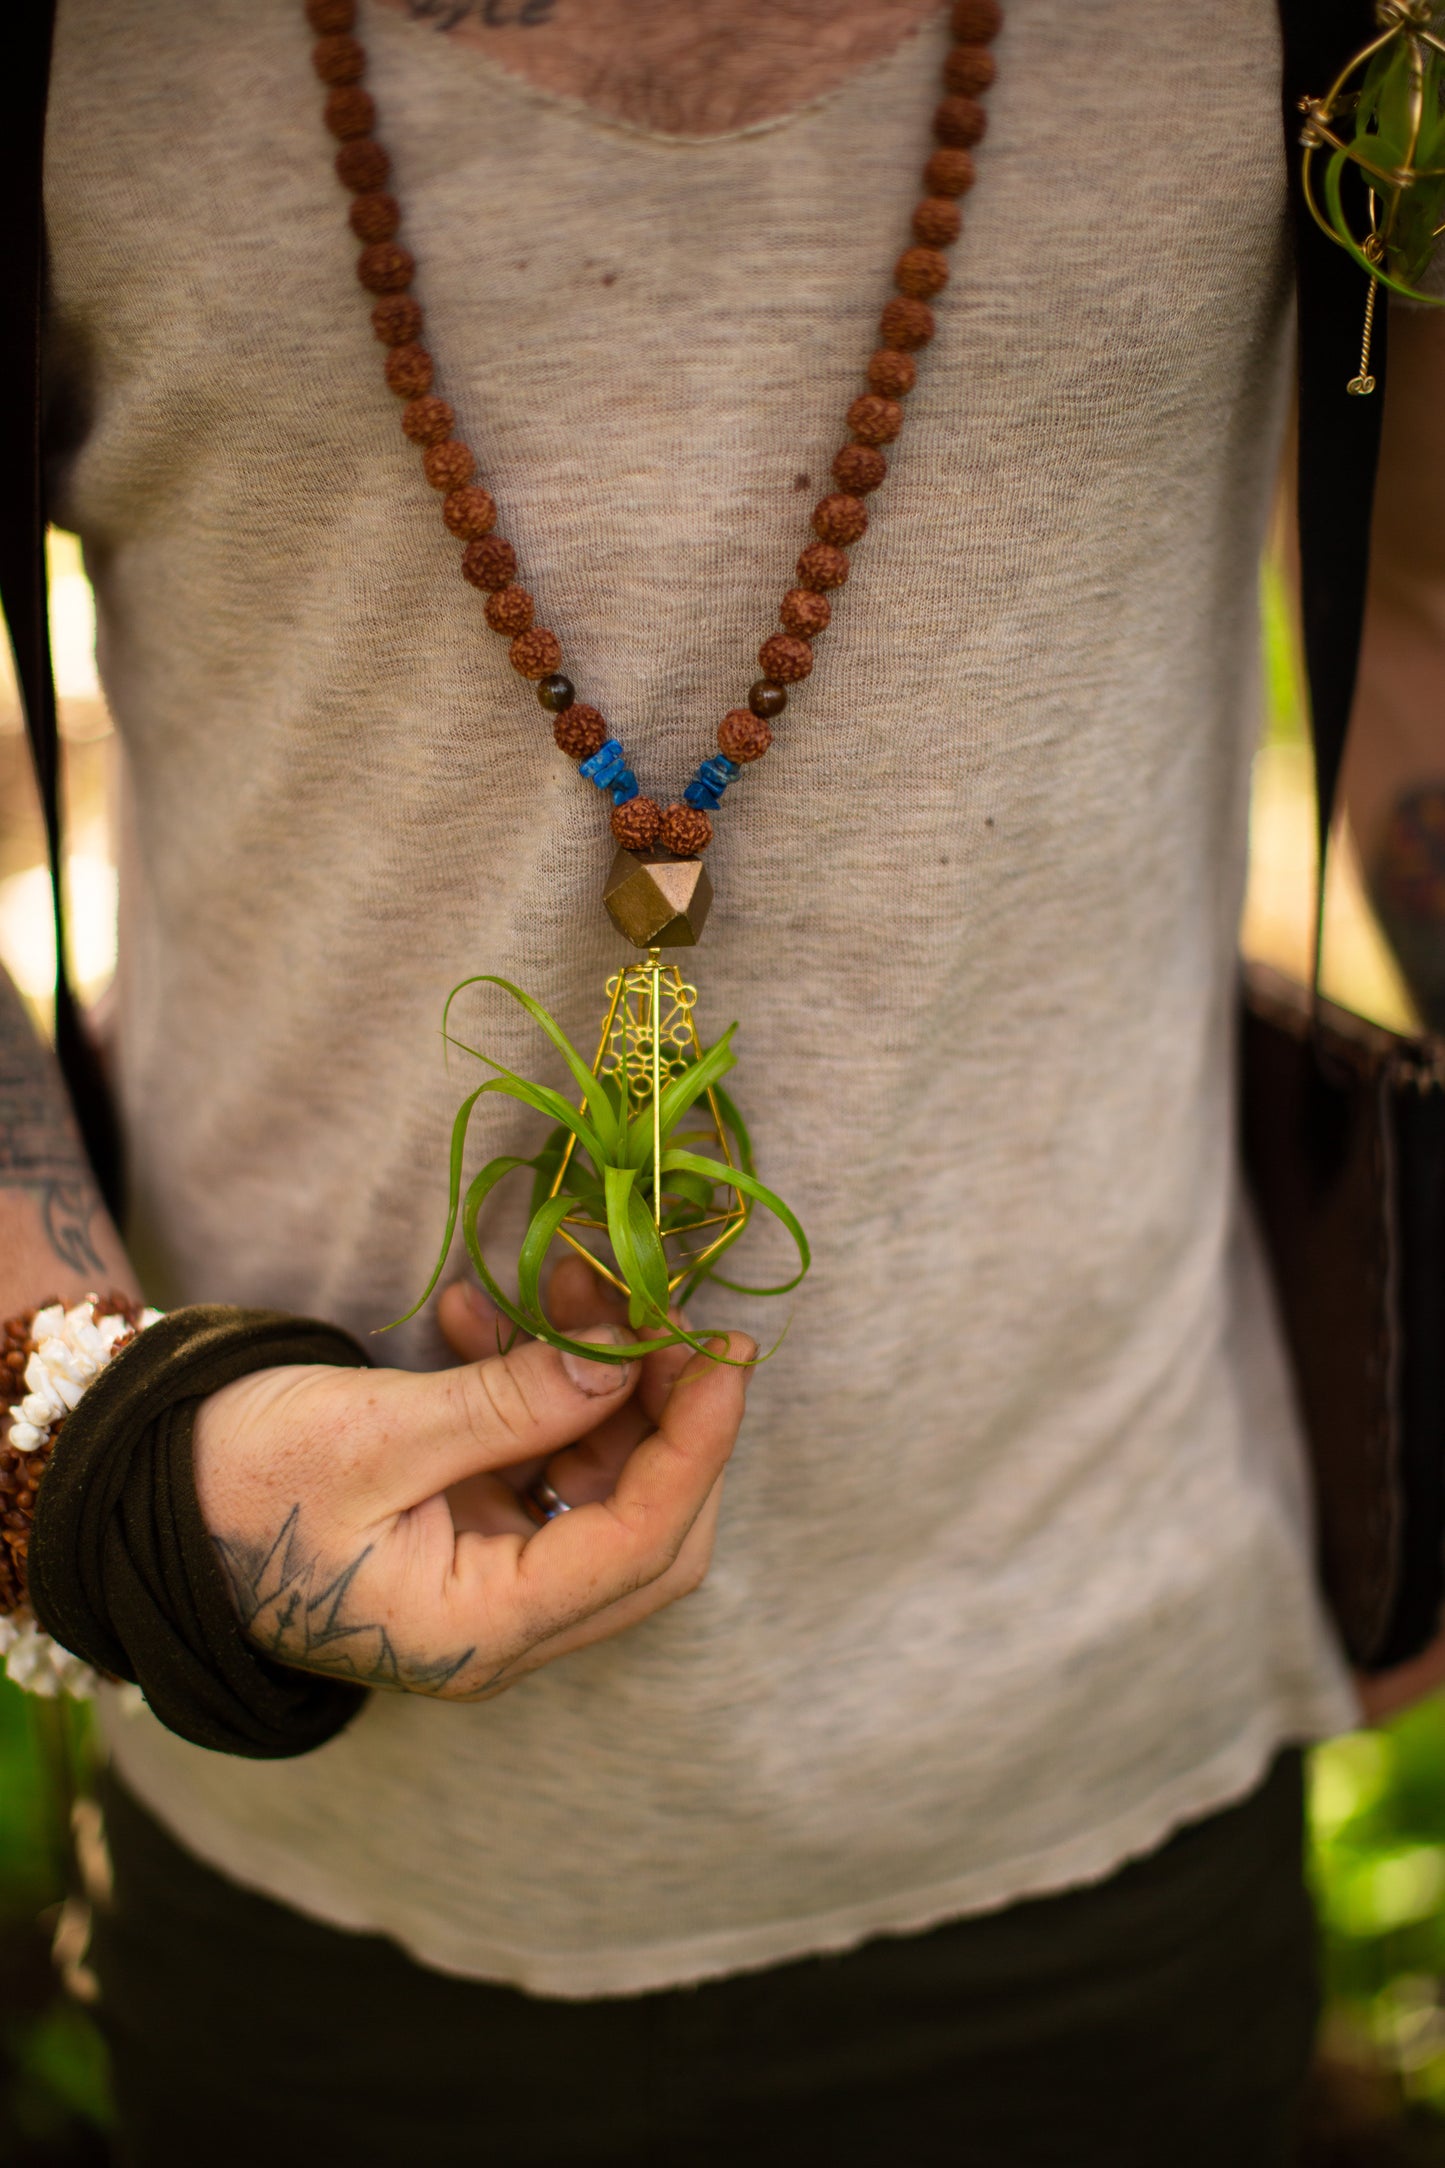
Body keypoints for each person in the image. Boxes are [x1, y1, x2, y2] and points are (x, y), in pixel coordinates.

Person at [5, 0, 1445, 2160]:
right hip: (309, 1843)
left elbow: (1418, 597)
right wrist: (85, 1439)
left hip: (1116, 1773)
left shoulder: (1336, 32)